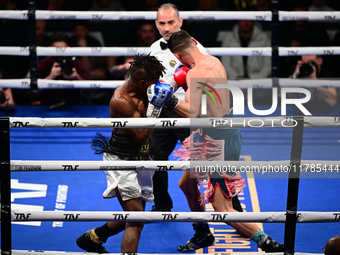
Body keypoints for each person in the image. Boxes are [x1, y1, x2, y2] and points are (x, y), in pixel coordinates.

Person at [165, 30, 284, 253]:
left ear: (178, 56)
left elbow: (191, 113)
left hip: (217, 143)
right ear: (194, 42)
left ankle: (267, 243)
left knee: (222, 207)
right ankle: (203, 234)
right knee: (187, 185)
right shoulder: (214, 61)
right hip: (209, 135)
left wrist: (169, 99)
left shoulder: (196, 73)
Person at [148, 3, 244, 252]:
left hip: (195, 116)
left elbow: (201, 101)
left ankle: (237, 216)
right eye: (162, 23)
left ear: (180, 22)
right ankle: (163, 206)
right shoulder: (154, 48)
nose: (166, 28)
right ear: (156, 24)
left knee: (210, 175)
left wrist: (173, 92)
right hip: (167, 111)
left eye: (171, 23)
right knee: (157, 157)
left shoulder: (195, 52)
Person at [76, 53, 171, 253]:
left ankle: (94, 237)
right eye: (154, 82)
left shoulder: (147, 87)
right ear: (143, 82)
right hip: (121, 160)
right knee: (136, 218)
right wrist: (155, 107)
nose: (158, 84)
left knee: (136, 216)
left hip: (142, 158)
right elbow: (142, 136)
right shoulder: (121, 100)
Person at [37, 31, 91, 107]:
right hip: (47, 107)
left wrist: (77, 77)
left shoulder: (76, 62)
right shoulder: (44, 64)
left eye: (63, 49)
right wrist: (50, 77)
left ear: (68, 48)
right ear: (49, 49)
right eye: (57, 49)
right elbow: (32, 92)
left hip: (73, 107)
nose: (60, 53)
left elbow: (89, 91)